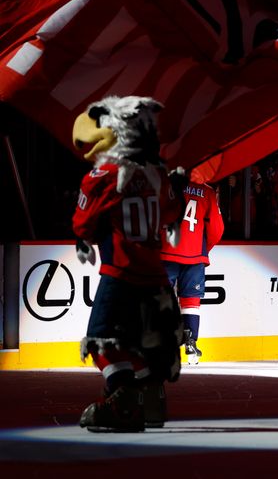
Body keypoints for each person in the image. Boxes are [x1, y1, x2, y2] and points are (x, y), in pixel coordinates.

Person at [71, 95, 185, 432]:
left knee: (101, 342)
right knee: (144, 343)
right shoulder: (155, 174)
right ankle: (152, 397)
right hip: (156, 277)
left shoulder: (104, 174)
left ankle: (124, 401)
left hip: (121, 274)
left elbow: (83, 225)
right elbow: (170, 214)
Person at [161, 176, 225, 364]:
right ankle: (190, 346)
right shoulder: (207, 191)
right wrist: (203, 247)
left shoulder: (163, 183)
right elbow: (217, 229)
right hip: (195, 254)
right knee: (191, 301)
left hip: (166, 250)